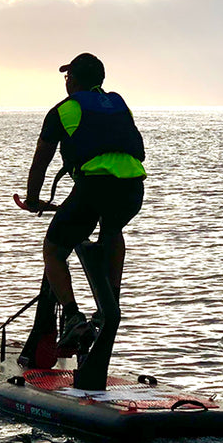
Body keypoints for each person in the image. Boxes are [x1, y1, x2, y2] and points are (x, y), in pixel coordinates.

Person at [23, 53, 147, 349]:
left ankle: (73, 317)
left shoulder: (64, 110)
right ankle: (110, 306)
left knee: (53, 249)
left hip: (94, 188)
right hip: (132, 190)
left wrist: (32, 199)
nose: (66, 82)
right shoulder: (119, 103)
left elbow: (41, 161)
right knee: (112, 230)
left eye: (67, 77)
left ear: (73, 81)